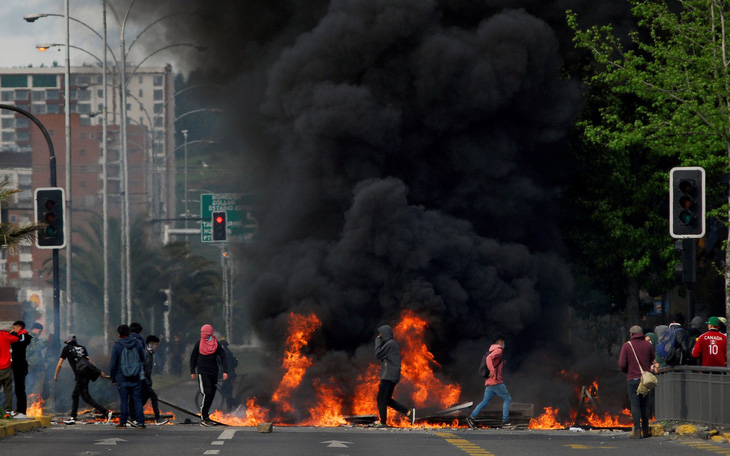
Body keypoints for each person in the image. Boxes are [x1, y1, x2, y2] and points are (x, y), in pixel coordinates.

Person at [54, 335, 112, 425]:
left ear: (68, 341)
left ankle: (106, 412)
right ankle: (73, 417)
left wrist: (56, 375)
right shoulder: (82, 348)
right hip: (87, 373)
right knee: (75, 395)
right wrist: (99, 371)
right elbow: (90, 361)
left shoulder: (66, 348)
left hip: (80, 374)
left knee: (86, 397)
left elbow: (60, 364)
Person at [466, 333, 512, 428]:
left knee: (485, 402)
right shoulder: (498, 350)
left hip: (489, 382)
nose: (504, 344)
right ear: (500, 342)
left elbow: (493, 360)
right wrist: (492, 370)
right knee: (507, 399)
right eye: (503, 342)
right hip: (496, 382)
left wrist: (501, 363)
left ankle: (471, 418)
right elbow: (489, 358)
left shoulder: (491, 350)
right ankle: (505, 421)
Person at [373, 325, 415, 428]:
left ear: (385, 334)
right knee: (386, 399)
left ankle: (383, 422)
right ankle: (408, 412)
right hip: (392, 375)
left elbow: (378, 354)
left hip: (388, 376)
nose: (379, 336)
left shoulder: (390, 344)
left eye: (381, 334)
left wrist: (377, 341)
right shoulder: (391, 344)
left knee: (381, 398)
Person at [618, 325, 654, 439]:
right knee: (644, 404)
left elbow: (622, 364)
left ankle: (637, 430)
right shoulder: (648, 345)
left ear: (631, 334)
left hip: (632, 379)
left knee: (635, 404)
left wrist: (628, 371)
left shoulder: (627, 346)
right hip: (645, 380)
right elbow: (652, 360)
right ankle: (646, 429)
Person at [190, 324, 228, 426]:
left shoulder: (216, 344)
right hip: (203, 373)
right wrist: (192, 371)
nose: (202, 334)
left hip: (214, 373)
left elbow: (223, 356)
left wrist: (225, 371)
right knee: (207, 393)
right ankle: (203, 417)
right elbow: (193, 357)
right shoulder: (199, 343)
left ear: (209, 333)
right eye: (201, 332)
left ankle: (207, 417)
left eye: (203, 332)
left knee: (212, 395)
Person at [109, 324, 146, 429]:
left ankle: (123, 422)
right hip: (135, 376)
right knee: (137, 400)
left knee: (124, 400)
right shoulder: (137, 343)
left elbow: (113, 364)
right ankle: (140, 422)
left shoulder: (117, 345)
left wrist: (113, 377)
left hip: (122, 377)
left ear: (119, 334)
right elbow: (143, 358)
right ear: (129, 332)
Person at [142, 335, 168, 425]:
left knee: (143, 399)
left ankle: (132, 415)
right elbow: (143, 369)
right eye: (155, 344)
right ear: (150, 344)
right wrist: (146, 381)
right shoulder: (145, 354)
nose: (156, 347)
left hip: (146, 382)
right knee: (154, 397)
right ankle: (158, 418)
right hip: (143, 382)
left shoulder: (150, 354)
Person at [10, 321, 32, 419]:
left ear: (19, 327)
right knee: (17, 388)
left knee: (20, 388)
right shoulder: (18, 335)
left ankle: (22, 411)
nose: (13, 330)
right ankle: (18, 409)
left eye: (14, 328)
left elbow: (19, 344)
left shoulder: (23, 335)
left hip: (20, 365)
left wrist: (13, 336)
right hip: (15, 364)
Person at [0, 327, 19, 417]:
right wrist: (13, 333)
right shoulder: (4, 335)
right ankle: (8, 410)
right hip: (6, 367)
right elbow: (15, 339)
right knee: (7, 390)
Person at [25, 323, 46, 398]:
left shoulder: (33, 338)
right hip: (30, 365)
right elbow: (30, 349)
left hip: (33, 365)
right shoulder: (31, 338)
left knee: (32, 384)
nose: (40, 333)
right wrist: (43, 343)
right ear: (37, 329)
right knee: (28, 384)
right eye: (40, 331)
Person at [218, 337, 239, 411]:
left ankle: (235, 404)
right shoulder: (228, 352)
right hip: (230, 375)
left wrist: (218, 376)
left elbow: (224, 367)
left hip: (228, 376)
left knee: (226, 391)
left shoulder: (225, 354)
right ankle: (230, 407)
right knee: (227, 391)